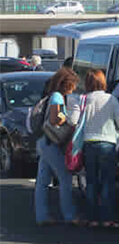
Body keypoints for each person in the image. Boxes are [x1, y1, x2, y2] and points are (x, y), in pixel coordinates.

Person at [71, 69, 119, 228]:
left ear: (87, 83)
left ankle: (92, 218)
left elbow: (73, 121)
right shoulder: (111, 99)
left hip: (88, 144)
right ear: (103, 82)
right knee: (107, 182)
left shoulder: (82, 99)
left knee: (91, 182)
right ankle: (107, 218)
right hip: (107, 144)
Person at [34, 67, 79, 226]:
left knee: (43, 180)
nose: (74, 88)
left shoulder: (50, 95)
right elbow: (54, 119)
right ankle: (69, 215)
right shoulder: (58, 97)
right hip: (51, 142)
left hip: (43, 141)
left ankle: (42, 215)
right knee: (65, 178)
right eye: (73, 85)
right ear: (66, 84)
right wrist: (66, 119)